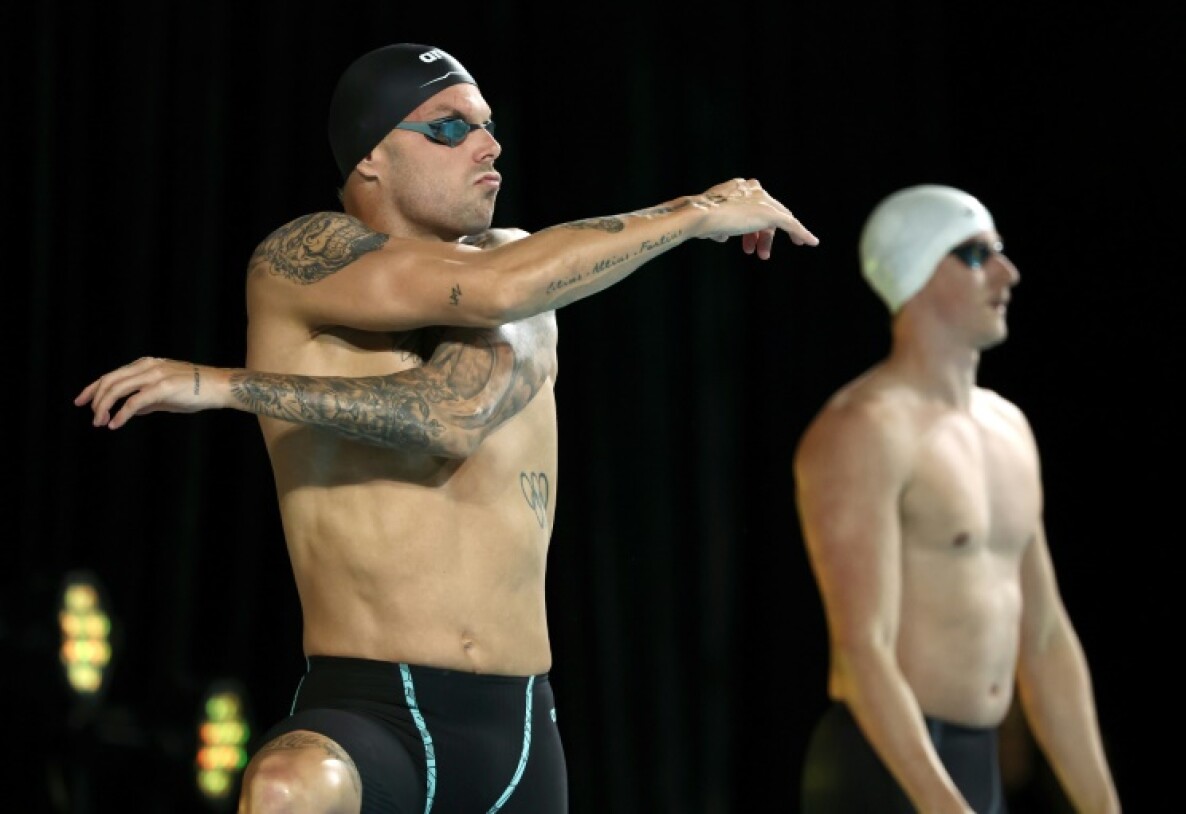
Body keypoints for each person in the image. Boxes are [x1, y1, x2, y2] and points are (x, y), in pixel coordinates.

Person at [74, 42, 819, 813]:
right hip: (371, 711)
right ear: (370, 158)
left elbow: (451, 415)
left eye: (489, 127)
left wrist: (226, 387)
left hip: (520, 733)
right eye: (449, 128)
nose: (489, 145)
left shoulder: (521, 269)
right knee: (288, 788)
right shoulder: (301, 259)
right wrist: (694, 212)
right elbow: (474, 331)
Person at [792, 184, 1120, 814]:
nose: (1008, 272)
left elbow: (1047, 637)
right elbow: (864, 652)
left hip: (975, 766)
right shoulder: (865, 429)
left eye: (1000, 250)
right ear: (916, 273)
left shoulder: (1009, 428)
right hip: (886, 770)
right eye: (975, 254)